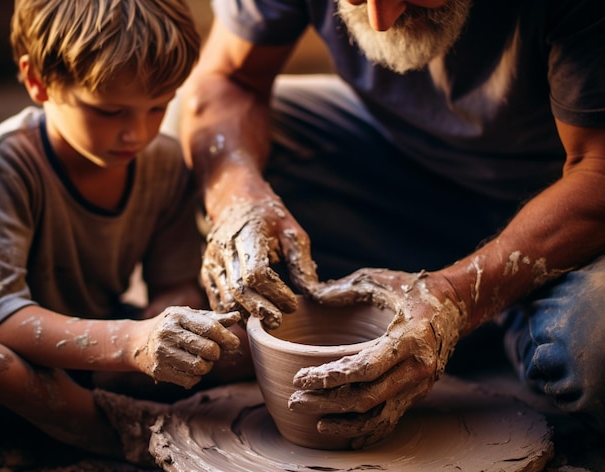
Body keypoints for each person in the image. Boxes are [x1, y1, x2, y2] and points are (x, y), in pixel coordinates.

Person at [175, 0, 605, 449]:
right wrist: (240, 201)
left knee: (596, 354)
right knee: (211, 148)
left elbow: (598, 172)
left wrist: (458, 299)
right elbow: (229, 79)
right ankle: (461, 324)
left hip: (566, 209)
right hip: (405, 169)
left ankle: (498, 318)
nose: (381, 19)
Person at [0, 0, 247, 464]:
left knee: (244, 344)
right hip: (24, 350)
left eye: (158, 107)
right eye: (110, 111)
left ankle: (109, 412)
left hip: (101, 346)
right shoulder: (4, 165)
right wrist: (129, 343)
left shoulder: (163, 162)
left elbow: (174, 282)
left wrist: (167, 328)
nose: (136, 133)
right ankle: (109, 431)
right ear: (37, 81)